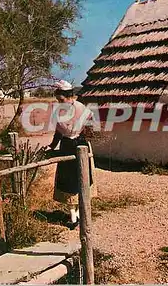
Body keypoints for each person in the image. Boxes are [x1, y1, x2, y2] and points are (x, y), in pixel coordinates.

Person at [46, 80, 95, 229]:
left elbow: (89, 126)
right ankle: (73, 216)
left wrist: (83, 135)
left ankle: (81, 213)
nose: (60, 101)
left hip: (80, 145)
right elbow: (58, 132)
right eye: (58, 99)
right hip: (67, 146)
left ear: (69, 96)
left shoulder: (81, 109)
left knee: (82, 178)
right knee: (68, 182)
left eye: (62, 98)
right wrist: (52, 146)